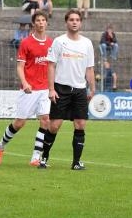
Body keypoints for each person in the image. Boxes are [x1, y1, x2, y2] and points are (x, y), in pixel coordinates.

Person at [0, 11, 53, 166]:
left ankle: (35, 156)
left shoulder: (51, 43)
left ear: (46, 23)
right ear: (34, 24)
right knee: (20, 123)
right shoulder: (26, 42)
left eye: (43, 20)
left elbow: (52, 66)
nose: (41, 23)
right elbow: (20, 66)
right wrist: (25, 82)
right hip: (29, 89)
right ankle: (1, 146)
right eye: (38, 20)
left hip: (45, 88)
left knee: (45, 120)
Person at [40, 9, 95, 170]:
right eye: (71, 19)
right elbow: (51, 65)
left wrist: (92, 89)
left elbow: (89, 68)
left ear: (81, 22)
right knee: (55, 125)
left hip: (79, 89)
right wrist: (51, 89)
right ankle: (44, 158)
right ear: (66, 22)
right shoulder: (59, 41)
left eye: (77, 19)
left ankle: (76, 162)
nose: (74, 22)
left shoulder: (87, 43)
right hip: (61, 88)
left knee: (80, 124)